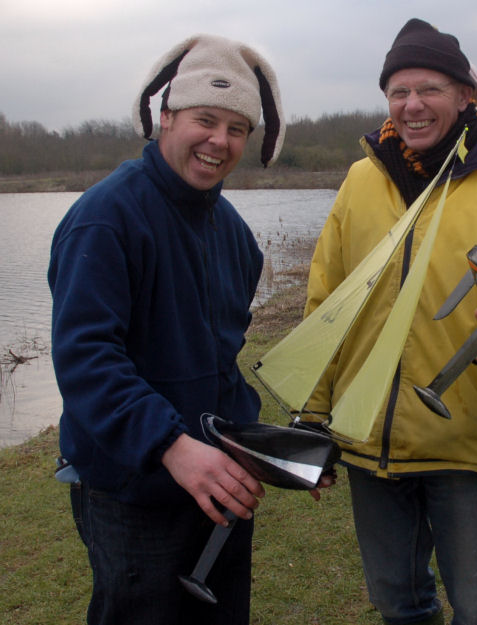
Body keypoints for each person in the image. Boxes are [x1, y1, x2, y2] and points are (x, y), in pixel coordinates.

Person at [304, 18, 477, 625]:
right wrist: (314, 413)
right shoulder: (361, 179)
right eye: (398, 91)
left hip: (466, 437)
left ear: (464, 95)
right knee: (398, 607)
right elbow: (326, 303)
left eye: (428, 89)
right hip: (366, 437)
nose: (412, 105)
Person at [49, 34, 293, 625]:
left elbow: (219, 363)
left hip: (218, 487)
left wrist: (274, 453)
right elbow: (87, 361)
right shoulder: (105, 218)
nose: (219, 141)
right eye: (205, 120)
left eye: (237, 129)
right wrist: (170, 446)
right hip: (132, 490)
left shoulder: (233, 234)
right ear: (165, 118)